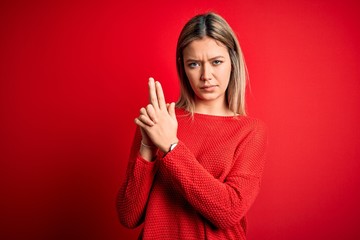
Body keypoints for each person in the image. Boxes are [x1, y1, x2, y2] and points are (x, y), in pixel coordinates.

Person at [117, 12, 267, 239]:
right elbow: (128, 216)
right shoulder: (160, 119)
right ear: (183, 67)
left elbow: (228, 211)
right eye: (194, 64)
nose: (206, 75)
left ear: (232, 61)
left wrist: (171, 147)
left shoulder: (250, 131)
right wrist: (148, 148)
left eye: (216, 62)